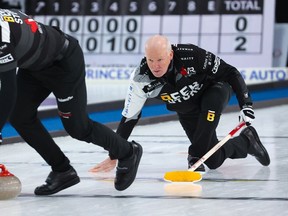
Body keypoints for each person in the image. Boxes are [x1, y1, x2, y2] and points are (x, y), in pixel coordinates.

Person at [0, 8, 142, 195]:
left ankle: (128, 152)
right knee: (20, 116)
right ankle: (62, 170)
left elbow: (8, 90)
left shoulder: (2, 36)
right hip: (34, 65)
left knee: (78, 127)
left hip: (63, 62)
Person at [90, 34, 270, 173]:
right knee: (212, 160)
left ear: (170, 54)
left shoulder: (192, 56)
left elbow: (231, 72)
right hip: (187, 110)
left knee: (202, 139)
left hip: (213, 90)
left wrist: (245, 103)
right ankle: (247, 141)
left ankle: (194, 154)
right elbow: (129, 117)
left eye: (160, 59)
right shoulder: (141, 79)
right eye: (150, 60)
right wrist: (115, 154)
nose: (155, 66)